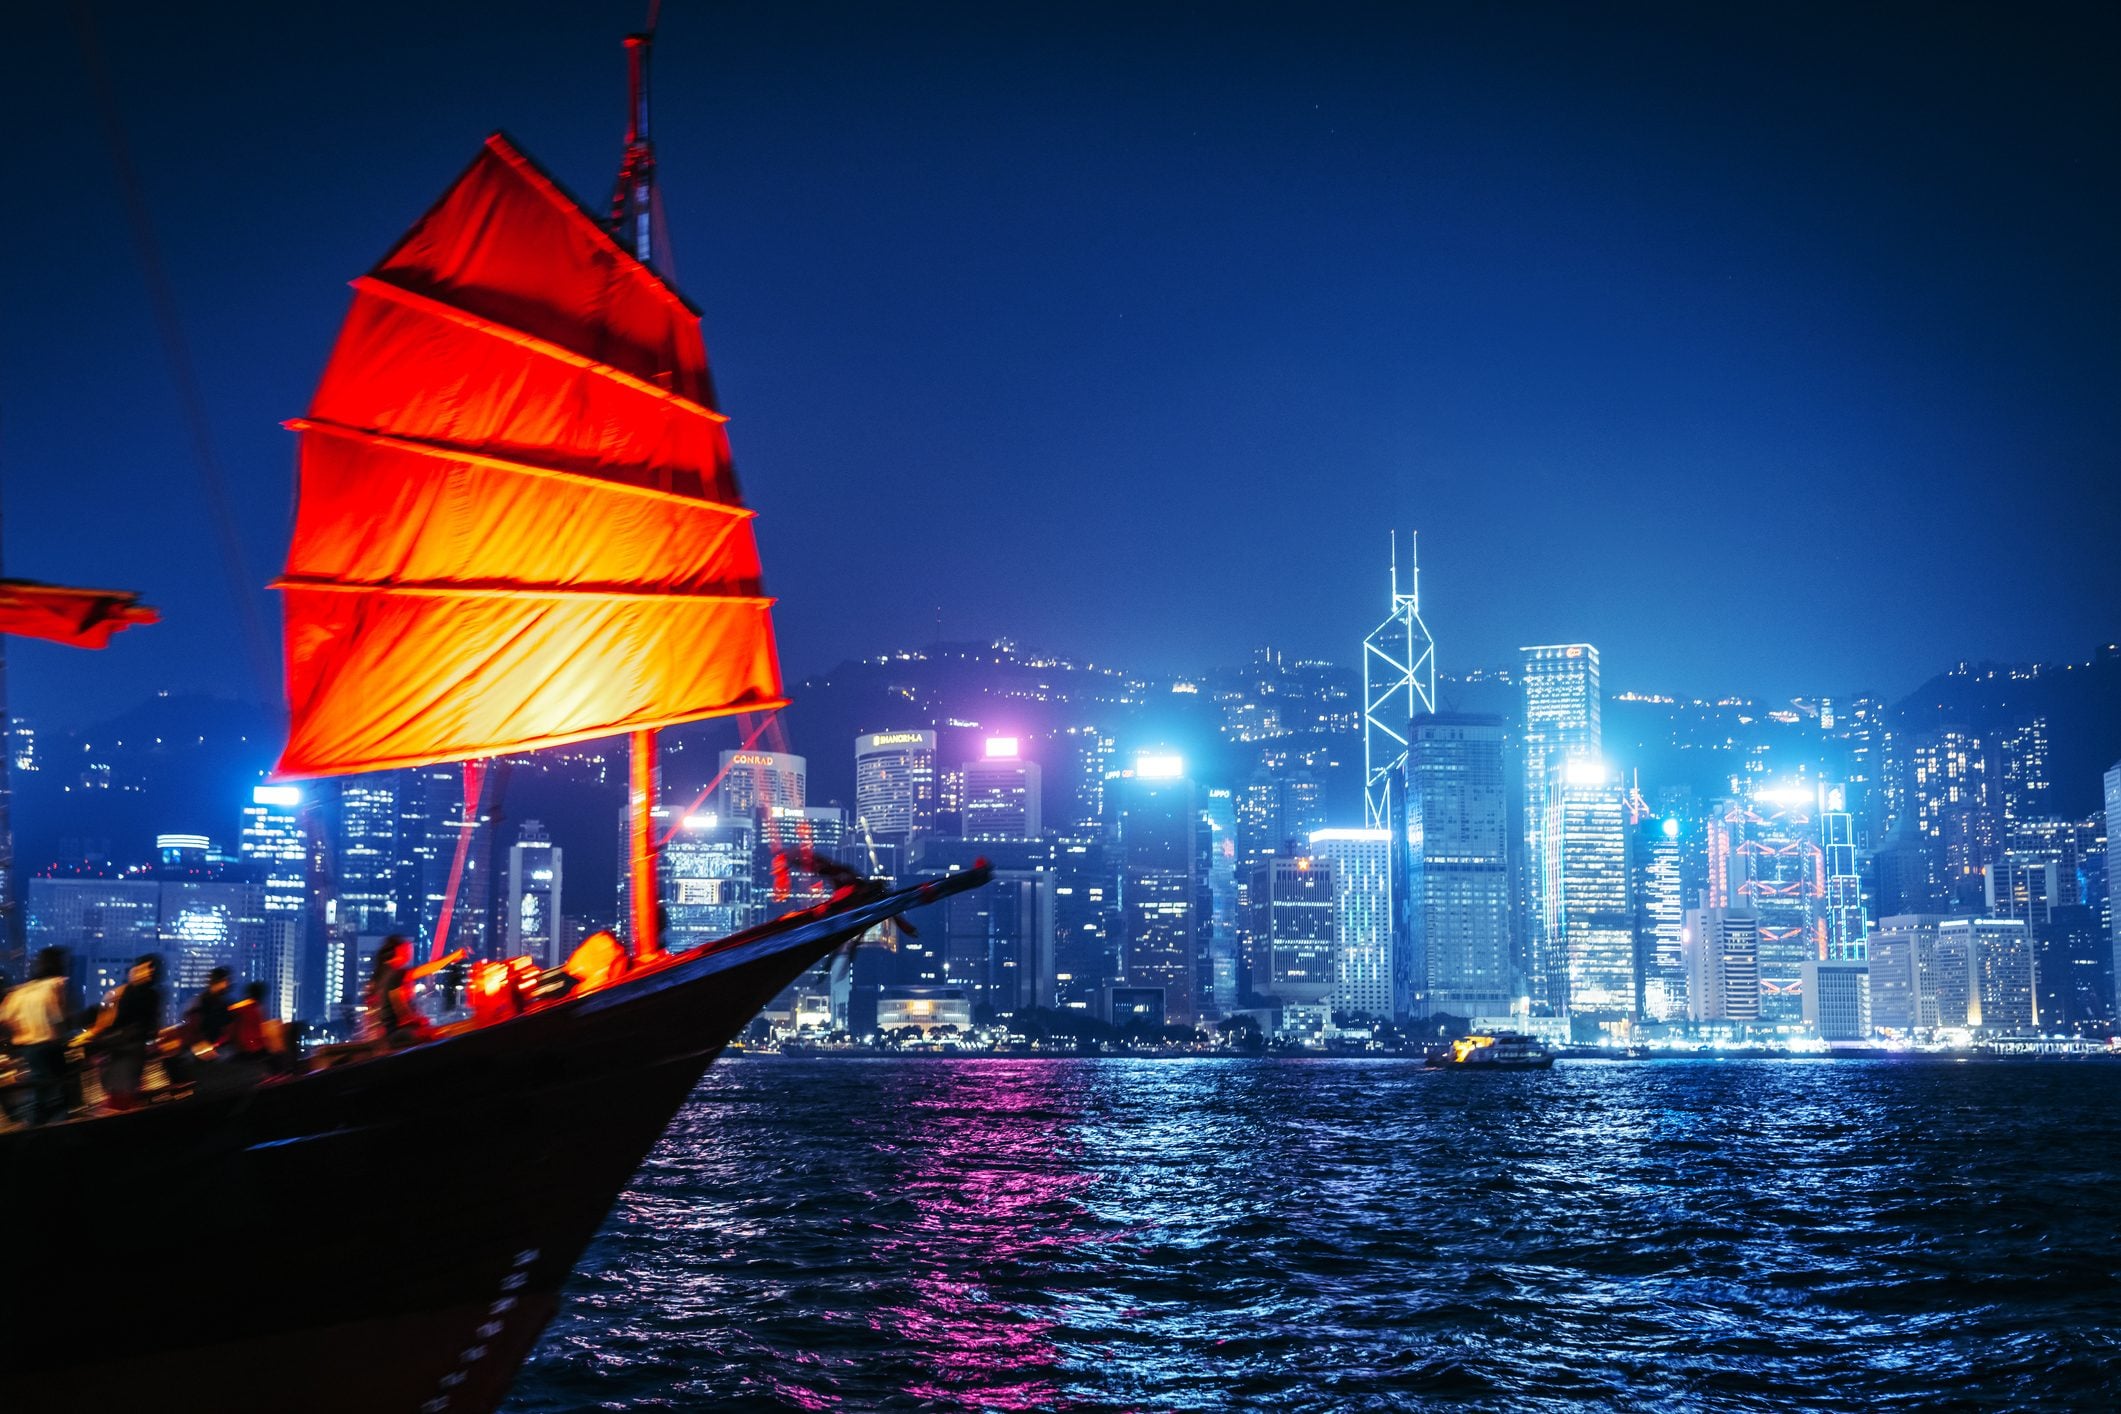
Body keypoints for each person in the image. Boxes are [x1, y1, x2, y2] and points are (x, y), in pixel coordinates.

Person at [81, 954, 165, 1111]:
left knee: (122, 1091)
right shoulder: (123, 993)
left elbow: (103, 1023)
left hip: (126, 1048)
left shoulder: (129, 993)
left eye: (150, 969)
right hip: (124, 1048)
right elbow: (105, 1022)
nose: (146, 972)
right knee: (123, 1091)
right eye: (143, 968)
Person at [0, 947, 70, 1125]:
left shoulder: (23, 990)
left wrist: (20, 1031)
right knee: (57, 1093)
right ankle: (48, 1132)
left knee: (38, 1090)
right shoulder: (56, 984)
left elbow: (4, 1015)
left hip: (28, 1048)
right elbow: (57, 1018)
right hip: (49, 1046)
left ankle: (33, 1127)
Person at [362, 937, 465, 1048]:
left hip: (383, 1037)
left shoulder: (380, 975)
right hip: (397, 1035)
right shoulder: (396, 974)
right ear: (399, 950)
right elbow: (400, 1008)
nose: (410, 953)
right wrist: (454, 956)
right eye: (408, 949)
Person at [184, 967, 235, 1052]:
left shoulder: (221, 1002)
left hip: (211, 1048)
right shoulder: (202, 1002)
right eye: (226, 981)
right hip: (205, 1049)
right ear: (218, 981)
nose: (227, 984)